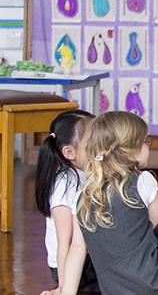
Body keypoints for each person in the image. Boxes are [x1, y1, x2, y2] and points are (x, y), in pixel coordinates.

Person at [47, 111, 158, 295]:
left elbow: (77, 248)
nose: (149, 146)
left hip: (118, 290)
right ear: (130, 150)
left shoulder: (83, 196)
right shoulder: (143, 181)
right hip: (155, 280)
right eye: (145, 141)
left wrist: (65, 291)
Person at [36, 110, 99, 294]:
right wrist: (63, 287)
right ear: (69, 152)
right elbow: (65, 242)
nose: (100, 147)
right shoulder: (64, 185)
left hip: (82, 257)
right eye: (93, 143)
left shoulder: (81, 171)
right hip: (69, 264)